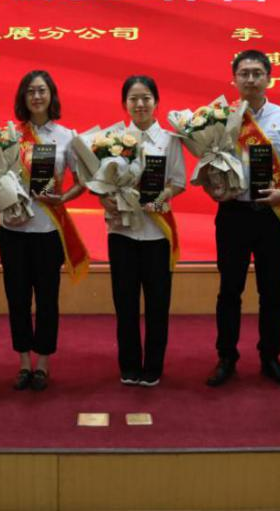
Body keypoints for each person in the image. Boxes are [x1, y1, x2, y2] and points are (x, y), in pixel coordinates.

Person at [205, 49, 280, 388]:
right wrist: (214, 189)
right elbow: (208, 166)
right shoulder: (220, 118)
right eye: (244, 73)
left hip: (272, 214)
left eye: (257, 73)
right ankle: (226, 357)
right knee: (229, 289)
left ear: (268, 78)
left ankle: (270, 357)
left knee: (271, 291)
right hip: (234, 213)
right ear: (234, 79)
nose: (250, 79)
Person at [0, 70, 88, 392]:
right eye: (31, 91)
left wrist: (63, 198)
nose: (36, 96)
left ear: (51, 96)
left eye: (42, 91)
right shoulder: (9, 136)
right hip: (12, 230)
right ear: (23, 97)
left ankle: (44, 362)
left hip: (48, 229)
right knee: (17, 298)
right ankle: (24, 362)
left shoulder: (67, 137)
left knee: (47, 299)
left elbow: (83, 180)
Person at [101, 75, 185, 387]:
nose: (140, 104)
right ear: (125, 103)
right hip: (121, 231)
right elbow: (100, 183)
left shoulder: (170, 140)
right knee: (124, 302)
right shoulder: (111, 141)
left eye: (146, 98)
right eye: (133, 98)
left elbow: (178, 181)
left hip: (157, 232)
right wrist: (105, 199)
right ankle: (129, 364)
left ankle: (153, 365)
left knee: (157, 304)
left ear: (156, 102)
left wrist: (163, 197)